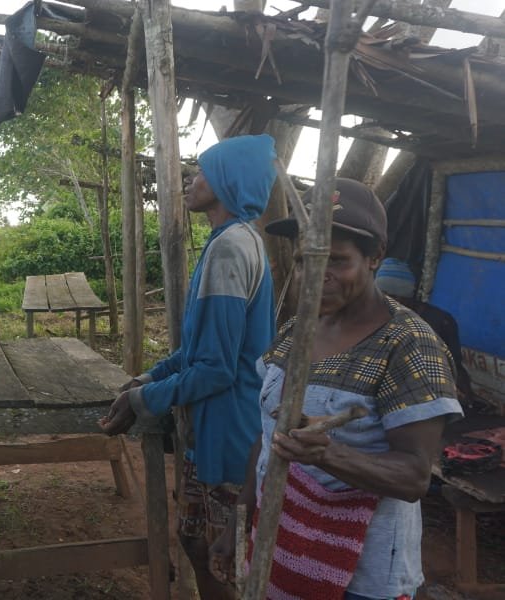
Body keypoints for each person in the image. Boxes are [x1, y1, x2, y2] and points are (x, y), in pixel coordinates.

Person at [211, 178, 464, 599]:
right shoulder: (293, 332)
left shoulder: (407, 344)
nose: (317, 276)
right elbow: (265, 434)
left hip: (363, 578)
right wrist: (241, 517)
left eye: (337, 261)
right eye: (305, 260)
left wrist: (327, 454)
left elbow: (415, 476)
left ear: (375, 257)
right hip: (283, 550)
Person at [100, 134, 278, 599]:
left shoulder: (229, 250)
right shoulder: (236, 242)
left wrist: (141, 399)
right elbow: (196, 351)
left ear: (225, 181)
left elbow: (217, 369)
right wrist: (147, 378)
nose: (191, 180)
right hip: (216, 429)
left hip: (228, 435)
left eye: (201, 172)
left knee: (223, 558)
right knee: (196, 542)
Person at [375, 257, 476, 409]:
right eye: (383, 294)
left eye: (395, 296)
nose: (388, 300)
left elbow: (453, 363)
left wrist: (461, 392)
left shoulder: (440, 321)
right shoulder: (374, 316)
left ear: (409, 295)